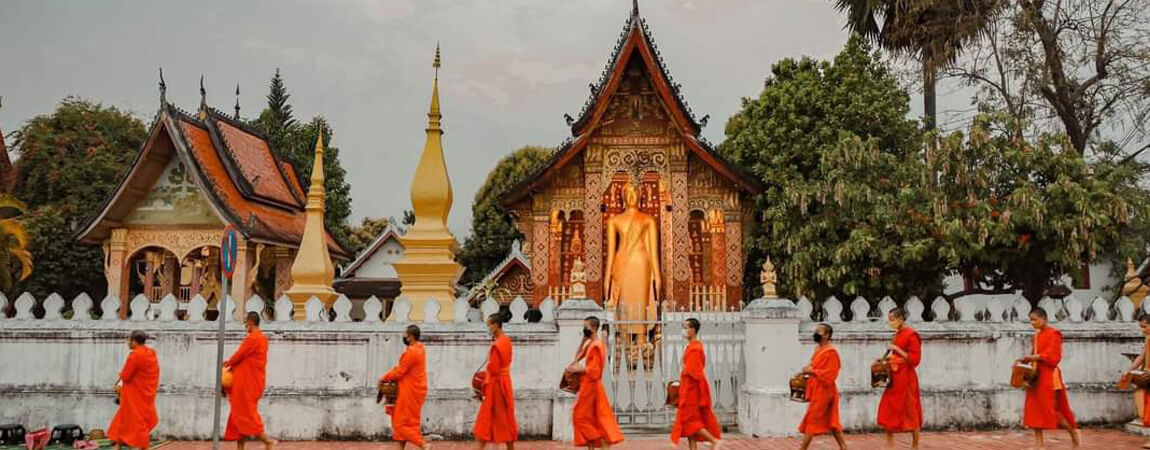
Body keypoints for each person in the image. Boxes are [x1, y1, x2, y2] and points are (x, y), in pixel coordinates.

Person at [1021, 308, 1080, 449]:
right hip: (1036, 376)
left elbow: (1053, 357)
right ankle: (1039, 444)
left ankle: (1073, 435)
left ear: (1044, 319)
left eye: (1035, 319)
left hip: (1050, 375)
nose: (1032, 323)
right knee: (1034, 409)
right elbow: (1033, 355)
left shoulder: (1054, 334)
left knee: (1052, 410)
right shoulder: (1036, 336)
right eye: (1031, 320)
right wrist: (1024, 364)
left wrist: (1032, 357)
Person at [566, 316, 624, 449]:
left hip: (591, 386)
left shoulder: (597, 345)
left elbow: (595, 371)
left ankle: (601, 441)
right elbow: (577, 357)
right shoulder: (591, 343)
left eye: (585, 327)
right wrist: (583, 340)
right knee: (591, 418)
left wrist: (577, 369)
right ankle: (593, 445)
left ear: (592, 328)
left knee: (578, 417)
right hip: (588, 385)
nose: (583, 329)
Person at [224, 312, 275, 450]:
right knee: (238, 415)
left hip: (247, 384)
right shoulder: (262, 338)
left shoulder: (253, 339)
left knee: (246, 415)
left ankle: (267, 441)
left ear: (250, 322)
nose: (245, 326)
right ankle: (240, 448)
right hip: (252, 381)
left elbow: (239, 355)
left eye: (246, 323)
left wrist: (227, 363)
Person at [671, 318, 721, 450]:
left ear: (692, 330)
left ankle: (713, 440)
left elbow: (694, 371)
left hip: (692, 391)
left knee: (690, 421)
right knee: (690, 429)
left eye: (685, 327)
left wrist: (685, 369)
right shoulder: (691, 347)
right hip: (688, 388)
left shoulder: (695, 348)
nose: (684, 330)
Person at [876, 307, 922, 449]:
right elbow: (894, 355)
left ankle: (915, 446)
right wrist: (885, 359)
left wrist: (897, 350)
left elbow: (915, 360)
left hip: (907, 378)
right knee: (889, 409)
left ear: (901, 318)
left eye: (892, 320)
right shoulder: (898, 334)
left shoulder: (912, 335)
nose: (891, 323)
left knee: (911, 411)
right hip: (894, 378)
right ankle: (889, 446)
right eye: (889, 320)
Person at [108, 330, 159, 450]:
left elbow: (126, 375)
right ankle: (118, 444)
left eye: (129, 340)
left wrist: (118, 383)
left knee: (134, 420)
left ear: (134, 341)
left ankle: (142, 446)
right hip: (146, 392)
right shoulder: (151, 353)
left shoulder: (135, 355)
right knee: (126, 418)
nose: (127, 343)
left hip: (134, 394)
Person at [799, 323, 847, 450]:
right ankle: (844, 447)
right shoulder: (818, 350)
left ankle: (802, 449)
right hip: (817, 389)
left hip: (825, 391)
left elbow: (831, 375)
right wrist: (805, 371)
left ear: (826, 335)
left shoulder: (831, 352)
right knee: (832, 421)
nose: (816, 333)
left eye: (819, 331)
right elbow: (813, 367)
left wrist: (812, 371)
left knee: (812, 419)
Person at [474, 312, 517, 449]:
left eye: (489, 326)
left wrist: (483, 390)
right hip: (504, 384)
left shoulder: (497, 345)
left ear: (496, 326)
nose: (488, 329)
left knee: (486, 419)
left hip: (496, 387)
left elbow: (493, 370)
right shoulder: (506, 341)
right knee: (505, 419)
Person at [381, 325, 428, 449]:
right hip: (413, 389)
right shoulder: (420, 349)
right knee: (406, 422)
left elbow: (399, 371)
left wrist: (383, 378)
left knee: (400, 424)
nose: (404, 337)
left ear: (411, 337)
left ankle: (423, 445)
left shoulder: (412, 352)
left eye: (406, 335)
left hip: (409, 391)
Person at [1123, 315, 1150, 449]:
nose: (1142, 330)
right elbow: (1143, 356)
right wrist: (1130, 369)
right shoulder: (1148, 339)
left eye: (1145, 326)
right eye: (1141, 327)